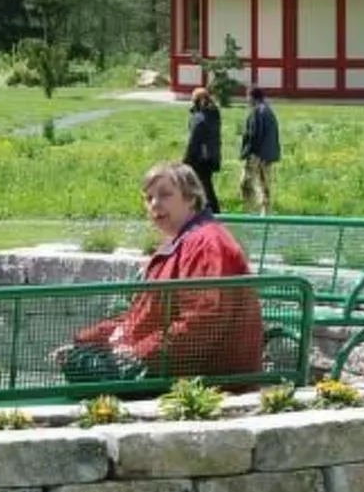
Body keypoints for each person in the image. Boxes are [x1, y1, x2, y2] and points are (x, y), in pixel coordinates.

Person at [59, 161, 262, 381]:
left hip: (200, 378)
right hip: (163, 365)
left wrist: (139, 353)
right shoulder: (180, 242)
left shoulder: (206, 244)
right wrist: (85, 340)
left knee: (85, 378)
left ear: (191, 198)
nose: (155, 204)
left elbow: (204, 321)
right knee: (78, 362)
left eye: (165, 195)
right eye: (148, 198)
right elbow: (140, 316)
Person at [239, 86, 281, 215]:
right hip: (268, 154)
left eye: (248, 96)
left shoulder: (257, 111)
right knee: (264, 183)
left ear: (252, 97)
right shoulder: (268, 110)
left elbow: (254, 134)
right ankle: (265, 211)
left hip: (257, 154)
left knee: (246, 182)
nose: (247, 99)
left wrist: (247, 152)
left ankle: (249, 210)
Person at [183, 86, 222, 213]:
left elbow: (194, 140)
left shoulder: (200, 117)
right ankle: (207, 209)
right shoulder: (213, 114)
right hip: (211, 156)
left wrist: (186, 159)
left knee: (199, 185)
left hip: (199, 157)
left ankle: (209, 211)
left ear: (198, 101)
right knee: (205, 184)